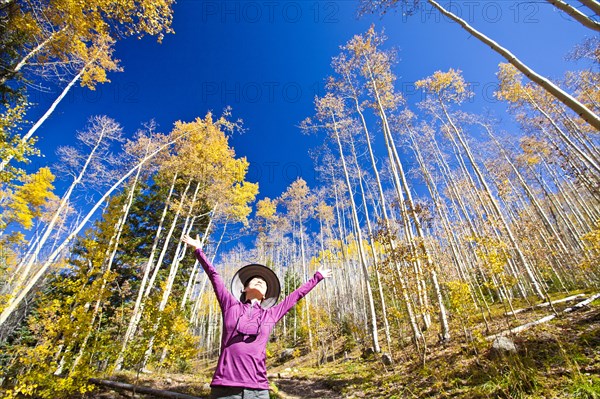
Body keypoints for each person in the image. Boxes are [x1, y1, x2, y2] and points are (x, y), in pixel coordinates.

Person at [182, 234, 332, 399]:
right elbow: (215, 277)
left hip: (258, 389)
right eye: (255, 280)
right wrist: (198, 250)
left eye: (264, 283)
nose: (260, 281)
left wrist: (317, 278)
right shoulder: (230, 306)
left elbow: (295, 296)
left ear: (266, 296)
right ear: (244, 288)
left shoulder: (271, 314)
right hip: (225, 386)